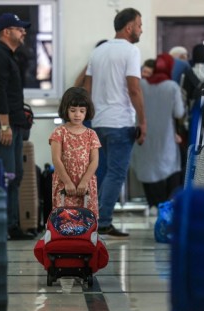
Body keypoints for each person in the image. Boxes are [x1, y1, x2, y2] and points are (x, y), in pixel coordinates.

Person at [84, 7, 147, 237]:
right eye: (139, 25)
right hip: (120, 121)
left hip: (99, 122)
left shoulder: (98, 52)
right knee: (117, 173)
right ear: (129, 27)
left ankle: (93, 219)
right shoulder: (131, 51)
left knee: (101, 172)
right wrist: (143, 122)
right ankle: (104, 221)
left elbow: (87, 89)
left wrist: (90, 118)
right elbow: (134, 89)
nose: (141, 29)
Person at [0, 12, 34, 240]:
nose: (23, 32)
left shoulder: (10, 56)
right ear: (5, 32)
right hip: (0, 124)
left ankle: (11, 226)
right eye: (18, 28)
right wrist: (4, 125)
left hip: (12, 124)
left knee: (15, 175)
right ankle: (1, 227)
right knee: (6, 176)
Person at [132, 53, 185, 211]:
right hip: (166, 138)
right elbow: (179, 113)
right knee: (168, 170)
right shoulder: (172, 86)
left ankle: (154, 206)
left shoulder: (141, 85)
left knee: (149, 171)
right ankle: (167, 212)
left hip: (145, 137)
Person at [49, 87, 101, 216]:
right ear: (66, 110)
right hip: (64, 184)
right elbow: (56, 159)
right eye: (73, 110)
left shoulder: (91, 134)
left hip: (86, 184)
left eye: (82, 111)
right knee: (64, 218)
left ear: (87, 111)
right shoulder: (59, 132)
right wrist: (67, 182)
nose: (77, 114)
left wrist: (84, 181)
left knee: (86, 219)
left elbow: (94, 161)